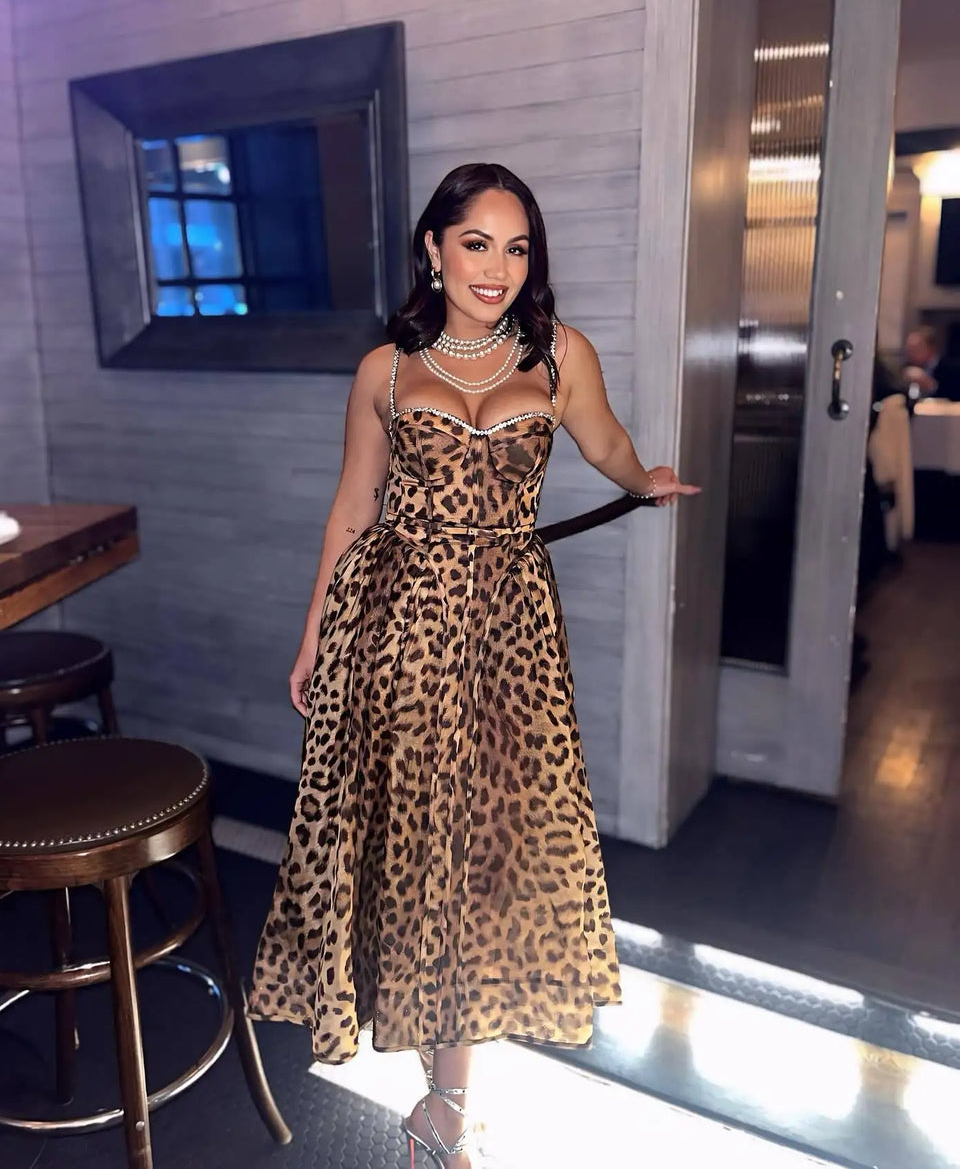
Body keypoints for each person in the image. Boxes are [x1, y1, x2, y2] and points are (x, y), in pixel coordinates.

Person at [248, 163, 699, 1167]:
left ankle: (445, 1094)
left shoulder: (560, 352)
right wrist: (316, 632)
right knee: (413, 846)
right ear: (434, 249)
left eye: (517, 247)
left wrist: (647, 479)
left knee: (486, 856)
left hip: (509, 637)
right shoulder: (384, 370)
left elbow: (608, 445)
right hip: (397, 627)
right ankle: (443, 1098)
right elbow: (352, 507)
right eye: (476, 243)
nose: (497, 267)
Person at [902, 327, 960, 400]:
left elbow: (954, 396)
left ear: (931, 348)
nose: (911, 354)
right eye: (909, 350)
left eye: (916, 349)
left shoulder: (951, 369)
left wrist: (930, 385)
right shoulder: (906, 368)